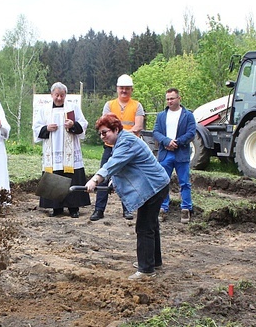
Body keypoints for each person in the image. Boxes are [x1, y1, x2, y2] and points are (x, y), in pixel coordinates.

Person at [85, 114, 169, 280]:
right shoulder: (121, 141)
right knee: (151, 225)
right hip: (157, 185)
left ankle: (146, 270)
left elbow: (113, 164)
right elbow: (122, 167)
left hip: (155, 187)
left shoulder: (127, 141)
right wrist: (111, 184)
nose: (102, 137)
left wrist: (95, 179)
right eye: (100, 134)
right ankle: (154, 261)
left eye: (105, 132)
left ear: (116, 129)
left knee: (144, 227)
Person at [91, 74, 145, 222]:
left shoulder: (137, 106)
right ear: (117, 89)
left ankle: (127, 209)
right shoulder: (109, 105)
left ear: (131, 90)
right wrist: (120, 134)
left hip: (129, 150)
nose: (124, 91)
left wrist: (119, 135)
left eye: (127, 88)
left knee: (127, 179)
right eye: (122, 88)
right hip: (110, 148)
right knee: (103, 176)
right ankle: (99, 210)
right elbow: (104, 125)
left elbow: (138, 126)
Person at [33, 82, 90, 218]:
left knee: (72, 176)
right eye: (56, 95)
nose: (59, 98)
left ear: (66, 95)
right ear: (52, 95)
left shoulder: (73, 108)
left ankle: (73, 207)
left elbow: (83, 124)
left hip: (69, 150)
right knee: (54, 174)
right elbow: (36, 127)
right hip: (52, 151)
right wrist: (46, 128)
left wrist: (73, 124)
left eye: (62, 95)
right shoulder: (44, 109)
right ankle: (55, 207)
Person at [152, 88, 198, 223]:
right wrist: (166, 141)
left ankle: (186, 209)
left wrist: (177, 143)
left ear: (179, 98)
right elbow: (156, 132)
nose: (169, 101)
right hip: (165, 154)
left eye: (172, 98)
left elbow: (191, 132)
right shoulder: (161, 115)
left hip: (181, 153)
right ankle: (163, 207)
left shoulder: (188, 115)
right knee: (163, 181)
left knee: (184, 182)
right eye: (168, 99)